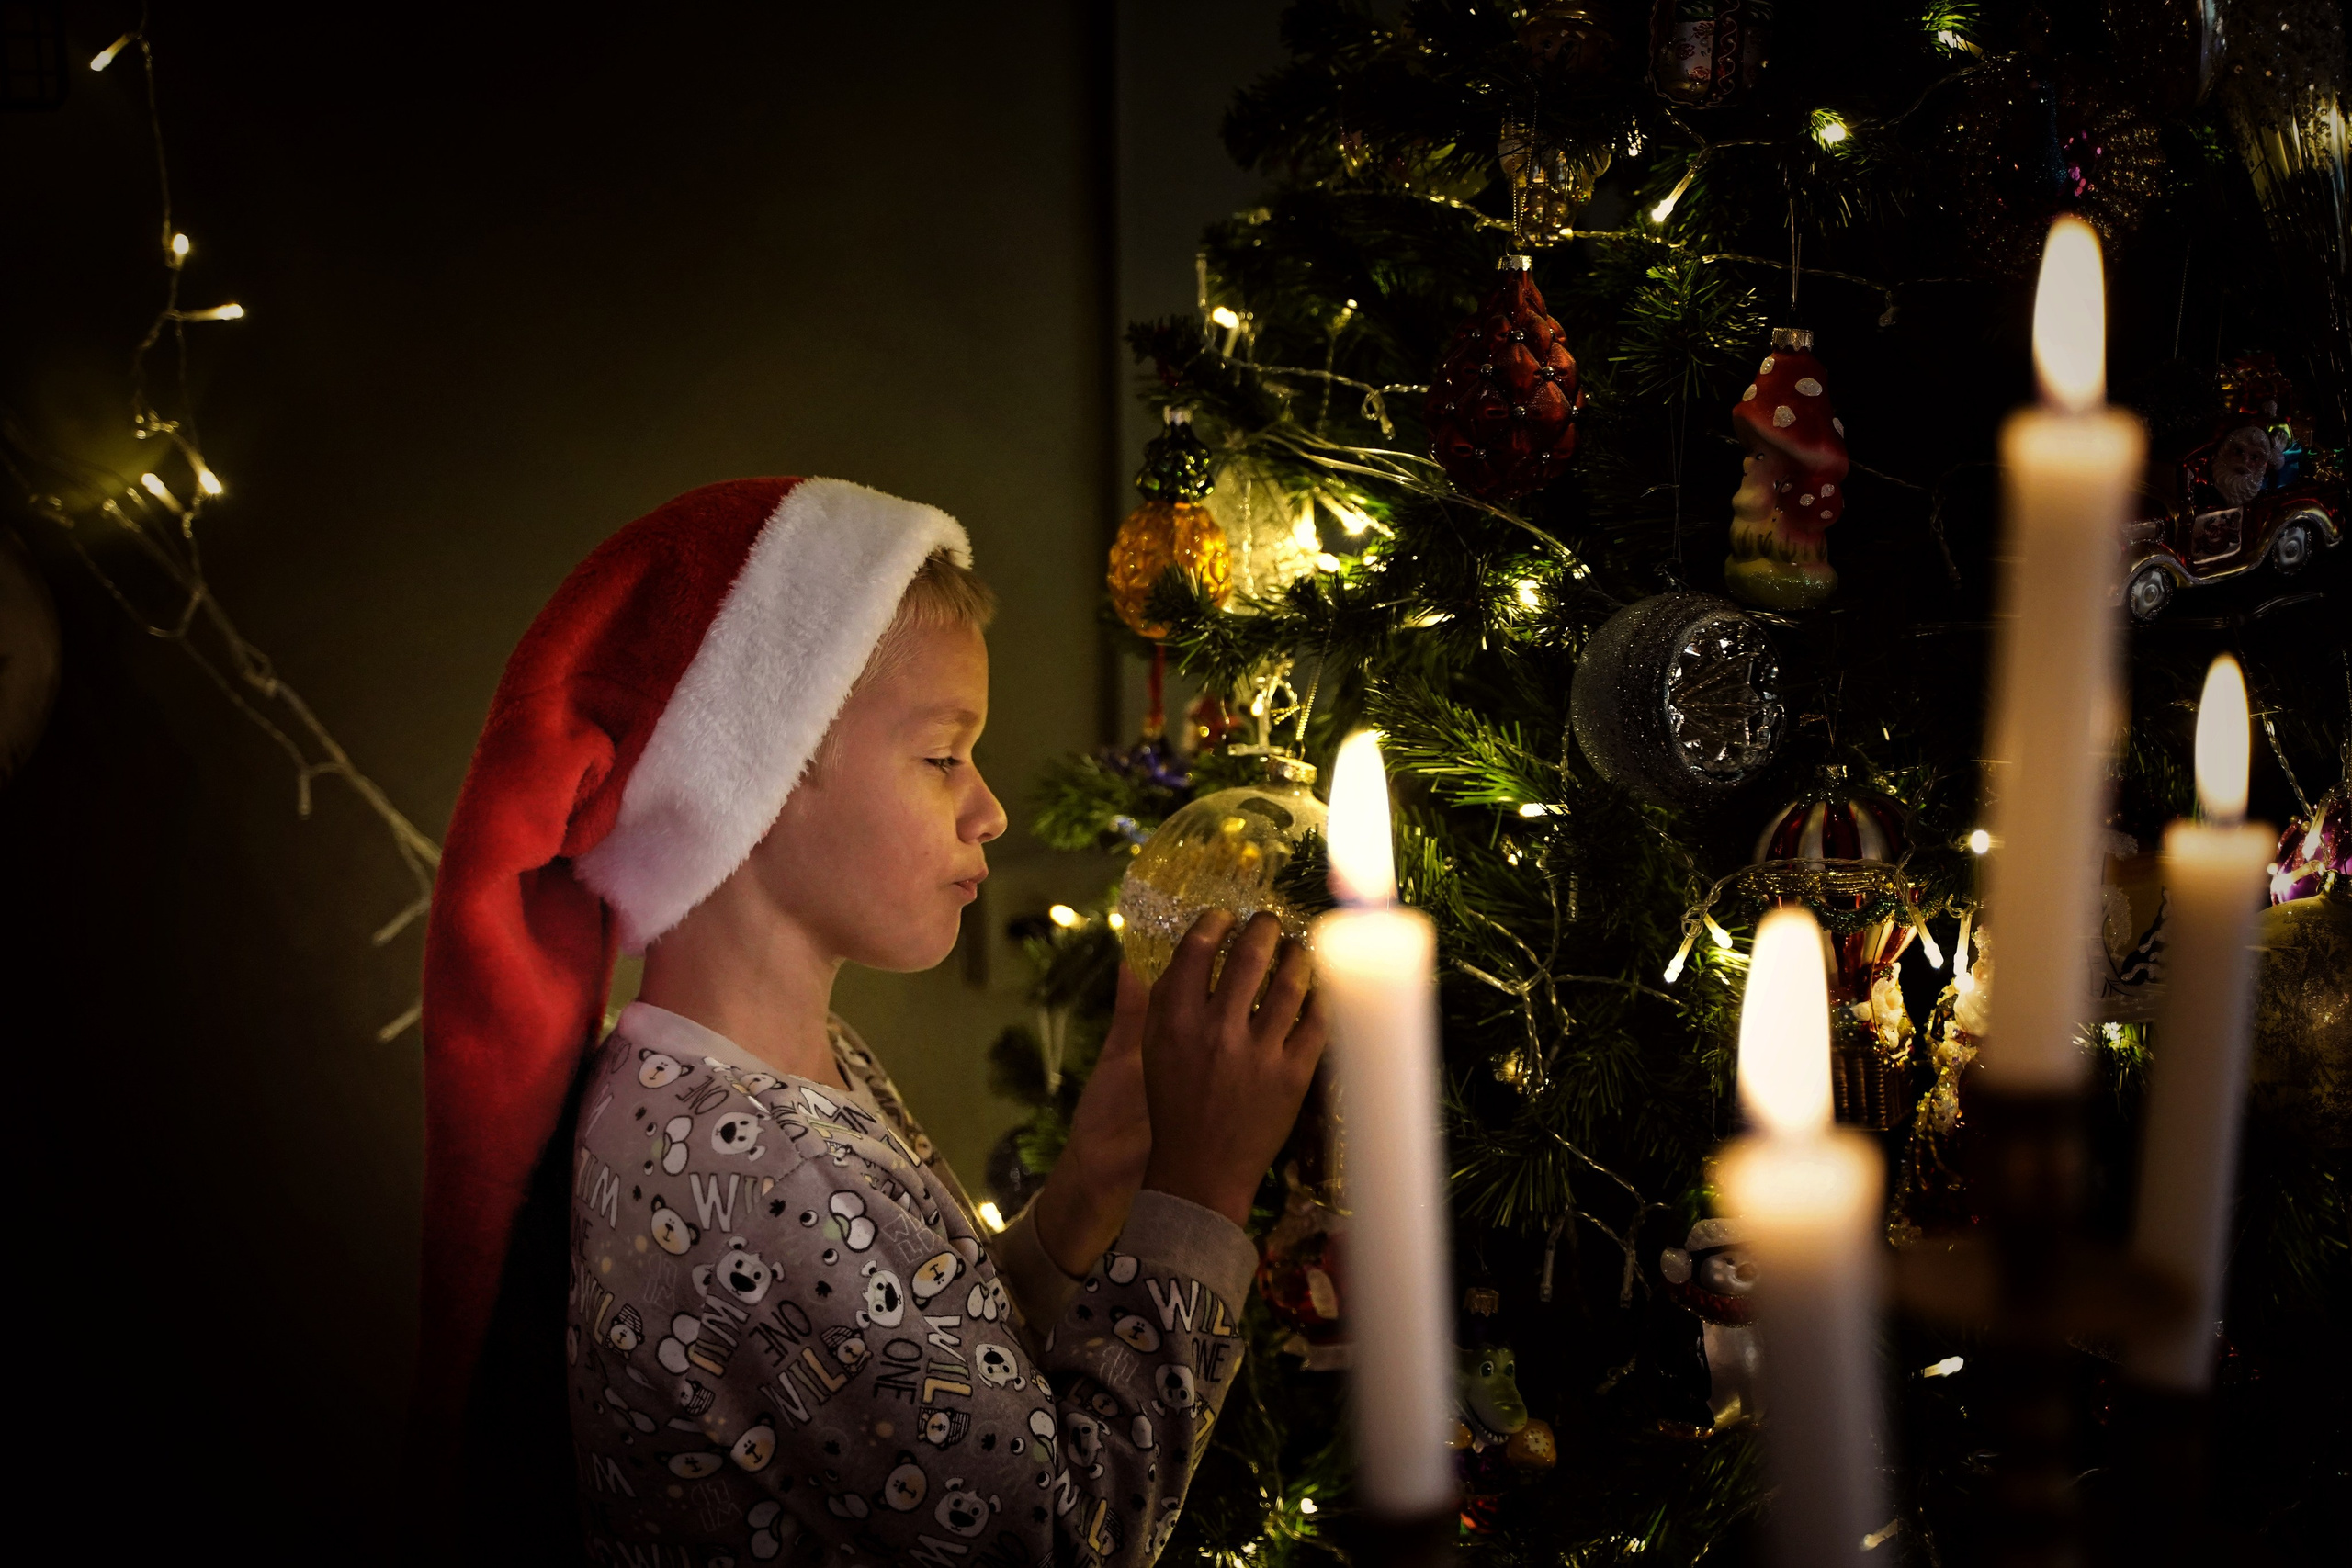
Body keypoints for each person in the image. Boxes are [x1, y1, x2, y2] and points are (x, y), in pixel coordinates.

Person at [411, 476, 1325, 1565]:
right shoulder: (742, 1171)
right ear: (753, 775)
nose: (988, 810)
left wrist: (1085, 1194)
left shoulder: (772, 1081)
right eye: (943, 757)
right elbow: (1058, 1539)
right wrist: (1204, 1192)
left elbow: (936, 1381)